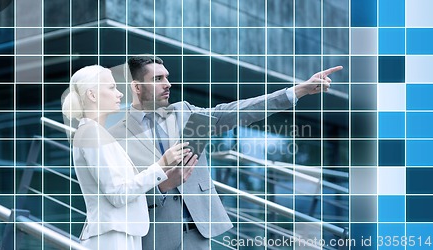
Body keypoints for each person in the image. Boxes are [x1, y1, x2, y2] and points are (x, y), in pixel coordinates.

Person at [108, 56, 343, 250]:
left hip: (200, 234)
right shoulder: (115, 136)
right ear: (136, 87)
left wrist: (297, 91)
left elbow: (236, 111)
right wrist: (162, 186)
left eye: (167, 77)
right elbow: (118, 194)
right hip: (155, 238)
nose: (168, 84)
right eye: (158, 79)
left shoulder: (185, 112)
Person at [61, 65, 198, 250]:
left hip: (121, 234)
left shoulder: (97, 133)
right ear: (92, 95)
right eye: (111, 88)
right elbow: (117, 194)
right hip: (112, 237)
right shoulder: (91, 133)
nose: (120, 94)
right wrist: (162, 165)